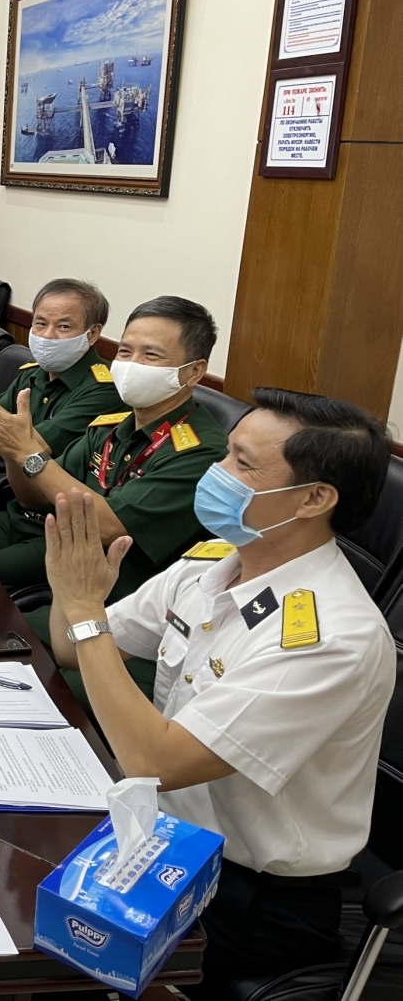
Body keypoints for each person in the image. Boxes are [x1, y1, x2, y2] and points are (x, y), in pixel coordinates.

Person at [41, 388, 394, 999]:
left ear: (314, 498)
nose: (217, 473)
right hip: (160, 837)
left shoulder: (331, 636)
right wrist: (75, 594)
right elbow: (71, 647)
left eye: (243, 464)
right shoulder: (213, 565)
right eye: (227, 453)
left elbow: (153, 759)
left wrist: (84, 609)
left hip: (252, 900)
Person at [0, 296, 228, 699]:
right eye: (126, 351)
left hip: (131, 616)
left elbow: (105, 526)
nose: (131, 364)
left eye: (151, 355)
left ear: (194, 372)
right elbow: (32, 498)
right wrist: (14, 450)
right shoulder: (112, 426)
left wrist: (28, 453)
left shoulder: (200, 452)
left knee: (27, 685)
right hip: (73, 589)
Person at [0, 278, 125, 512]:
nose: (48, 335)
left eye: (63, 327)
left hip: (46, 508)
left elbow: (25, 447)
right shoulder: (33, 373)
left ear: (92, 333)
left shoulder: (104, 391)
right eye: (40, 323)